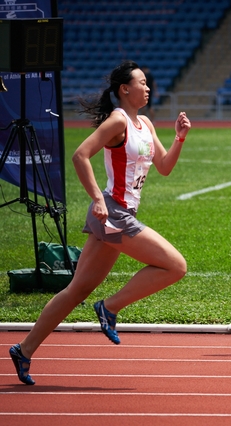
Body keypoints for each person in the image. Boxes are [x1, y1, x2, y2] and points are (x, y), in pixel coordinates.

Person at [9, 60, 191, 385]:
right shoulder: (117, 120)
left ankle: (24, 350)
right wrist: (96, 198)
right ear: (125, 89)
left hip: (119, 214)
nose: (148, 87)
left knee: (76, 289)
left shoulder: (145, 123)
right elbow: (81, 155)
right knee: (175, 265)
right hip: (113, 211)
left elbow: (163, 167)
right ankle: (109, 308)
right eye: (142, 82)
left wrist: (179, 139)